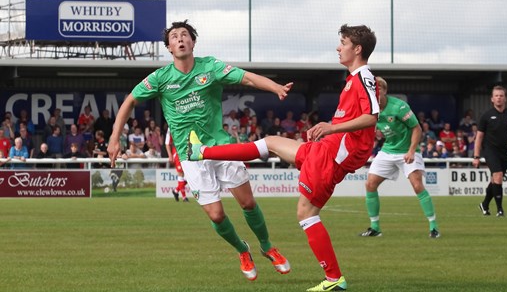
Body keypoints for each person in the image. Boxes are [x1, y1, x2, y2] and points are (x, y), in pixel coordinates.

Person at [188, 24, 378, 291]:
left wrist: (331, 127)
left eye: (343, 42)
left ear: (357, 49)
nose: (338, 47)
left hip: (332, 154)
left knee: (306, 213)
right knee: (271, 143)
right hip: (329, 150)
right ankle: (202, 152)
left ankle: (334, 279)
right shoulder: (356, 78)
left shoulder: (362, 77)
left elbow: (371, 117)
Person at [107, 20, 291, 282]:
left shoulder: (211, 67)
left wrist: (276, 87)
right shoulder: (160, 78)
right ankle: (243, 250)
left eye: (185, 35)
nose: (180, 39)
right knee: (216, 215)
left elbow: (247, 77)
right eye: (174, 36)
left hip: (221, 149)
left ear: (193, 42)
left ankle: (267, 246)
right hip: (191, 156)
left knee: (248, 202)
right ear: (169, 47)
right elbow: (130, 101)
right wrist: (115, 137)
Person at [360, 77, 440, 239]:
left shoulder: (399, 107)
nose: (375, 92)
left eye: (378, 89)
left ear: (384, 91)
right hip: (388, 150)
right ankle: (375, 227)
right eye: (372, 90)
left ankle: (434, 227)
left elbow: (417, 129)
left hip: (407, 151)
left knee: (417, 185)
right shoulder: (370, 109)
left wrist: (411, 151)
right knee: (370, 184)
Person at [473, 85, 507, 217]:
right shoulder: (486, 116)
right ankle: (500, 209)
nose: (499, 98)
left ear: (505, 98)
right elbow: (479, 137)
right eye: (496, 96)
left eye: (501, 96)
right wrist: (476, 156)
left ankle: (484, 204)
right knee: (498, 176)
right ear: (492, 99)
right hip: (490, 150)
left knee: (495, 180)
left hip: (504, 151)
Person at [165, 128, 188, 202]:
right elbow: (167, 143)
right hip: (178, 154)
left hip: (188, 152)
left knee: (189, 177)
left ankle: (176, 191)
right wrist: (170, 155)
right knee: (181, 174)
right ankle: (184, 197)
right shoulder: (171, 127)